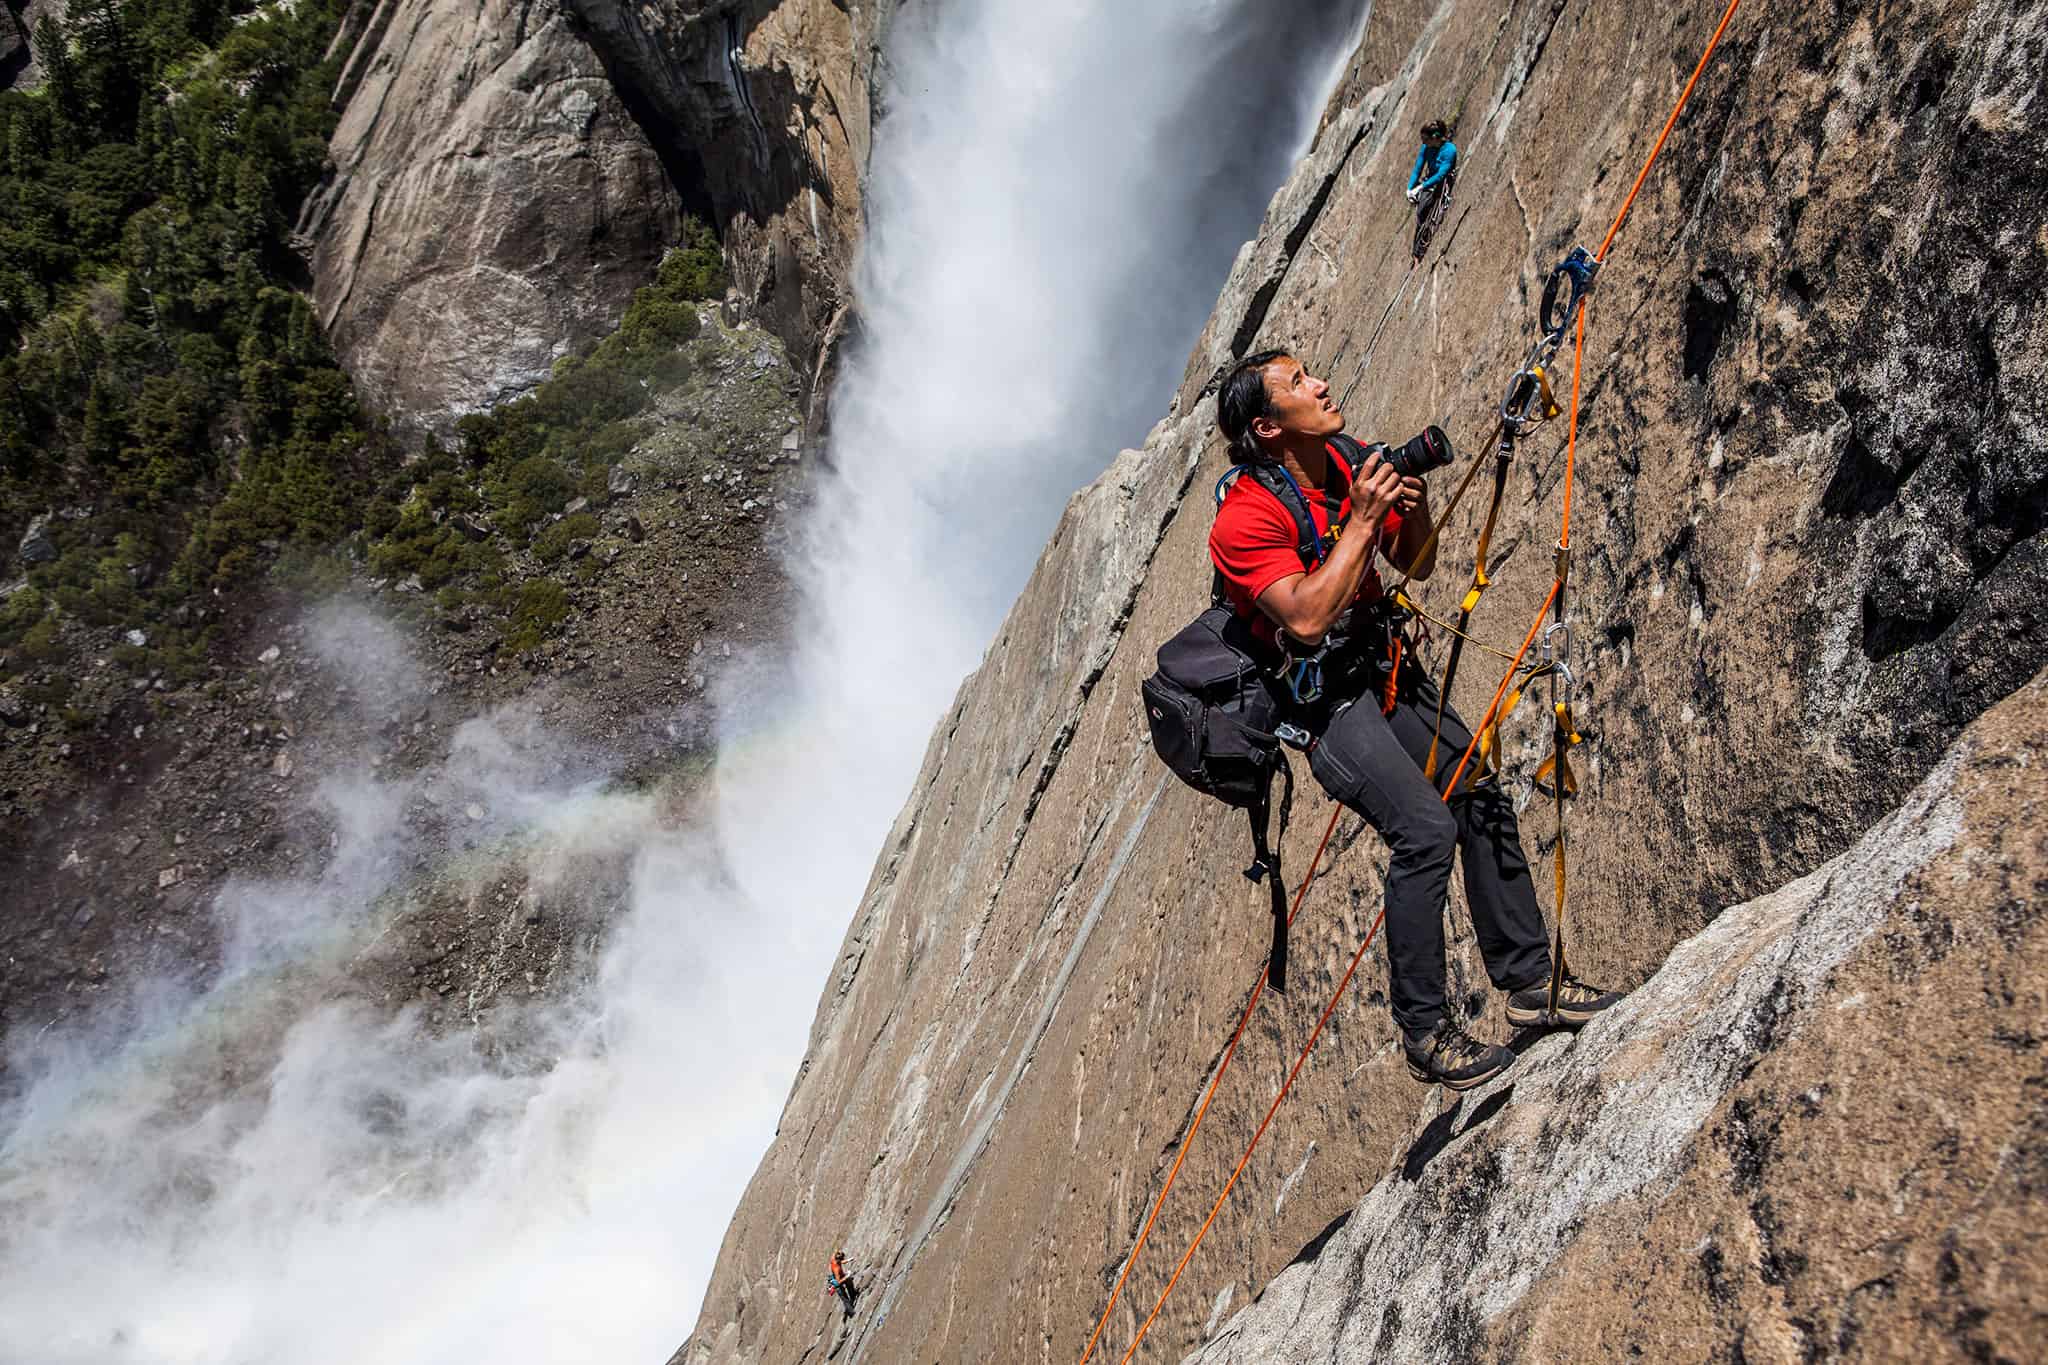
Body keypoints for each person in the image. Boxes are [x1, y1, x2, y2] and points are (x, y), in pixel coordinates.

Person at [1207, 350, 1620, 1091]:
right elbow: (1302, 618)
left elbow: (1418, 563)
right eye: (1299, 383)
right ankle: (1425, 1032)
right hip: (1324, 703)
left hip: (1381, 666)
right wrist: (1363, 521)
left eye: (1311, 372)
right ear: (1268, 427)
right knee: (1425, 829)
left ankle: (1531, 984)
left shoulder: (1343, 458)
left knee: (1477, 792)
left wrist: (1411, 501)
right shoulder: (1243, 521)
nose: (1321, 384)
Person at [1405, 120, 1458, 262]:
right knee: (1421, 213)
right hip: (1429, 182)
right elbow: (1418, 168)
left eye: (1425, 139)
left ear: (1434, 138)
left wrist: (1421, 187)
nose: (1423, 142)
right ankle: (1416, 253)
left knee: (1425, 210)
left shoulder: (1449, 150)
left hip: (1441, 182)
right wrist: (1410, 189)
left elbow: (1442, 174)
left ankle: (1418, 253)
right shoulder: (1426, 148)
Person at [825, 1250, 856, 1319]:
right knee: (845, 1298)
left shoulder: (834, 1258)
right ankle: (851, 1312)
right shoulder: (836, 1269)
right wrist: (847, 1276)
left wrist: (849, 1260)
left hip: (840, 1277)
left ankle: (853, 1294)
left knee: (849, 1282)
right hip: (837, 1283)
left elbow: (840, 1261)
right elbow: (838, 1282)